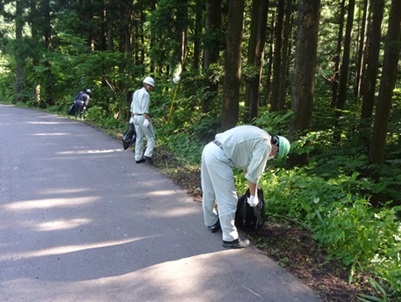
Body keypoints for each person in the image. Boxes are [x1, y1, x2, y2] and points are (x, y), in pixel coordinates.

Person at [201, 125, 290, 249]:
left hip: (210, 149)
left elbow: (247, 167)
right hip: (219, 158)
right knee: (228, 200)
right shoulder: (265, 146)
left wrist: (254, 187)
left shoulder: (261, 135)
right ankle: (230, 239)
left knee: (209, 190)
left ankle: (211, 222)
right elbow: (253, 175)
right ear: (276, 149)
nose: (271, 157)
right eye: (274, 156)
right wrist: (253, 196)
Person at [130, 76, 155, 164]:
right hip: (142, 117)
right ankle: (148, 155)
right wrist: (146, 119)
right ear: (145, 84)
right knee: (151, 137)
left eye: (151, 86)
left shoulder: (136, 92)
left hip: (136, 117)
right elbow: (145, 108)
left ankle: (138, 157)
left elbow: (132, 106)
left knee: (139, 137)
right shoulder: (146, 94)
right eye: (150, 86)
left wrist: (132, 117)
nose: (151, 88)